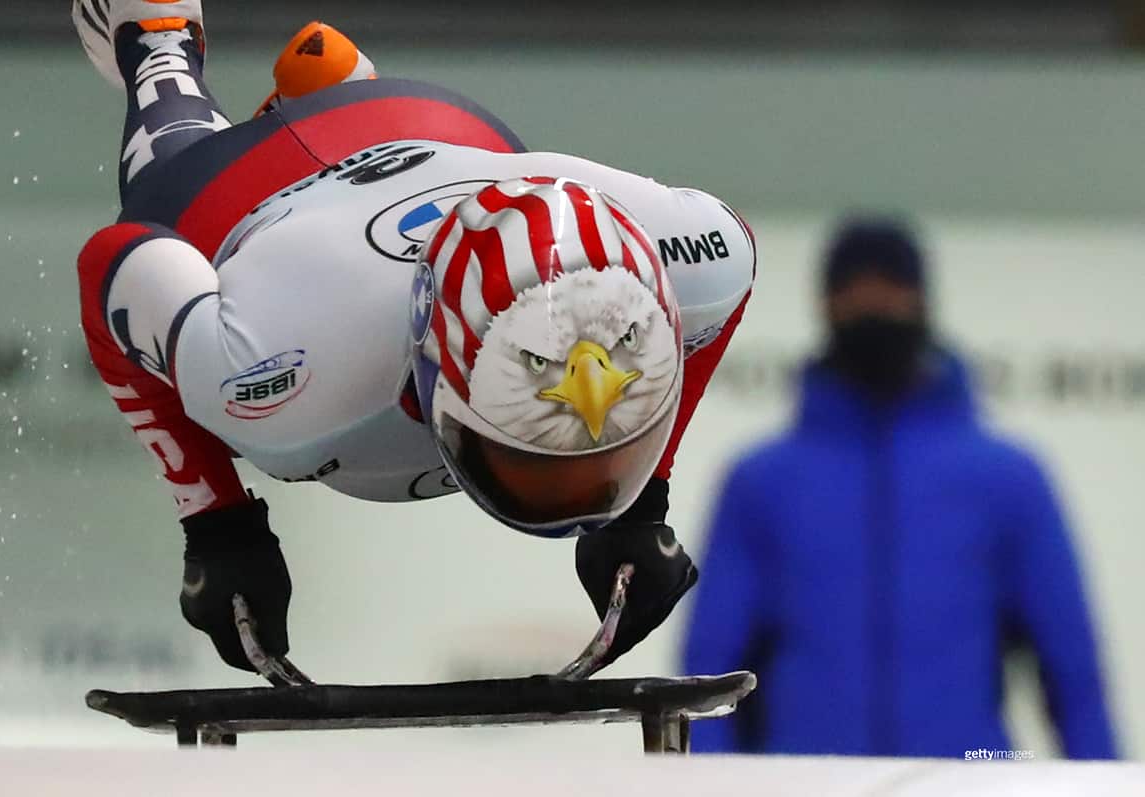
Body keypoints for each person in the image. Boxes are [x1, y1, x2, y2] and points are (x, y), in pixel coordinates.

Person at [70, 1, 754, 672]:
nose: (584, 491)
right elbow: (112, 260)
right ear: (432, 369)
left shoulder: (698, 260)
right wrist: (216, 525)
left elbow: (734, 249)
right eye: (539, 469)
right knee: (164, 205)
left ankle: (325, 89)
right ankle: (159, 41)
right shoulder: (277, 377)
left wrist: (642, 506)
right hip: (256, 190)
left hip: (438, 128)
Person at [682, 218, 1117, 758]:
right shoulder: (761, 484)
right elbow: (708, 677)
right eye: (854, 293)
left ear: (922, 302)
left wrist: (1108, 783)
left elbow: (1073, 676)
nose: (874, 308)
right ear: (826, 306)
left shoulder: (1007, 480)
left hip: (963, 780)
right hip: (806, 784)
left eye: (891, 290)